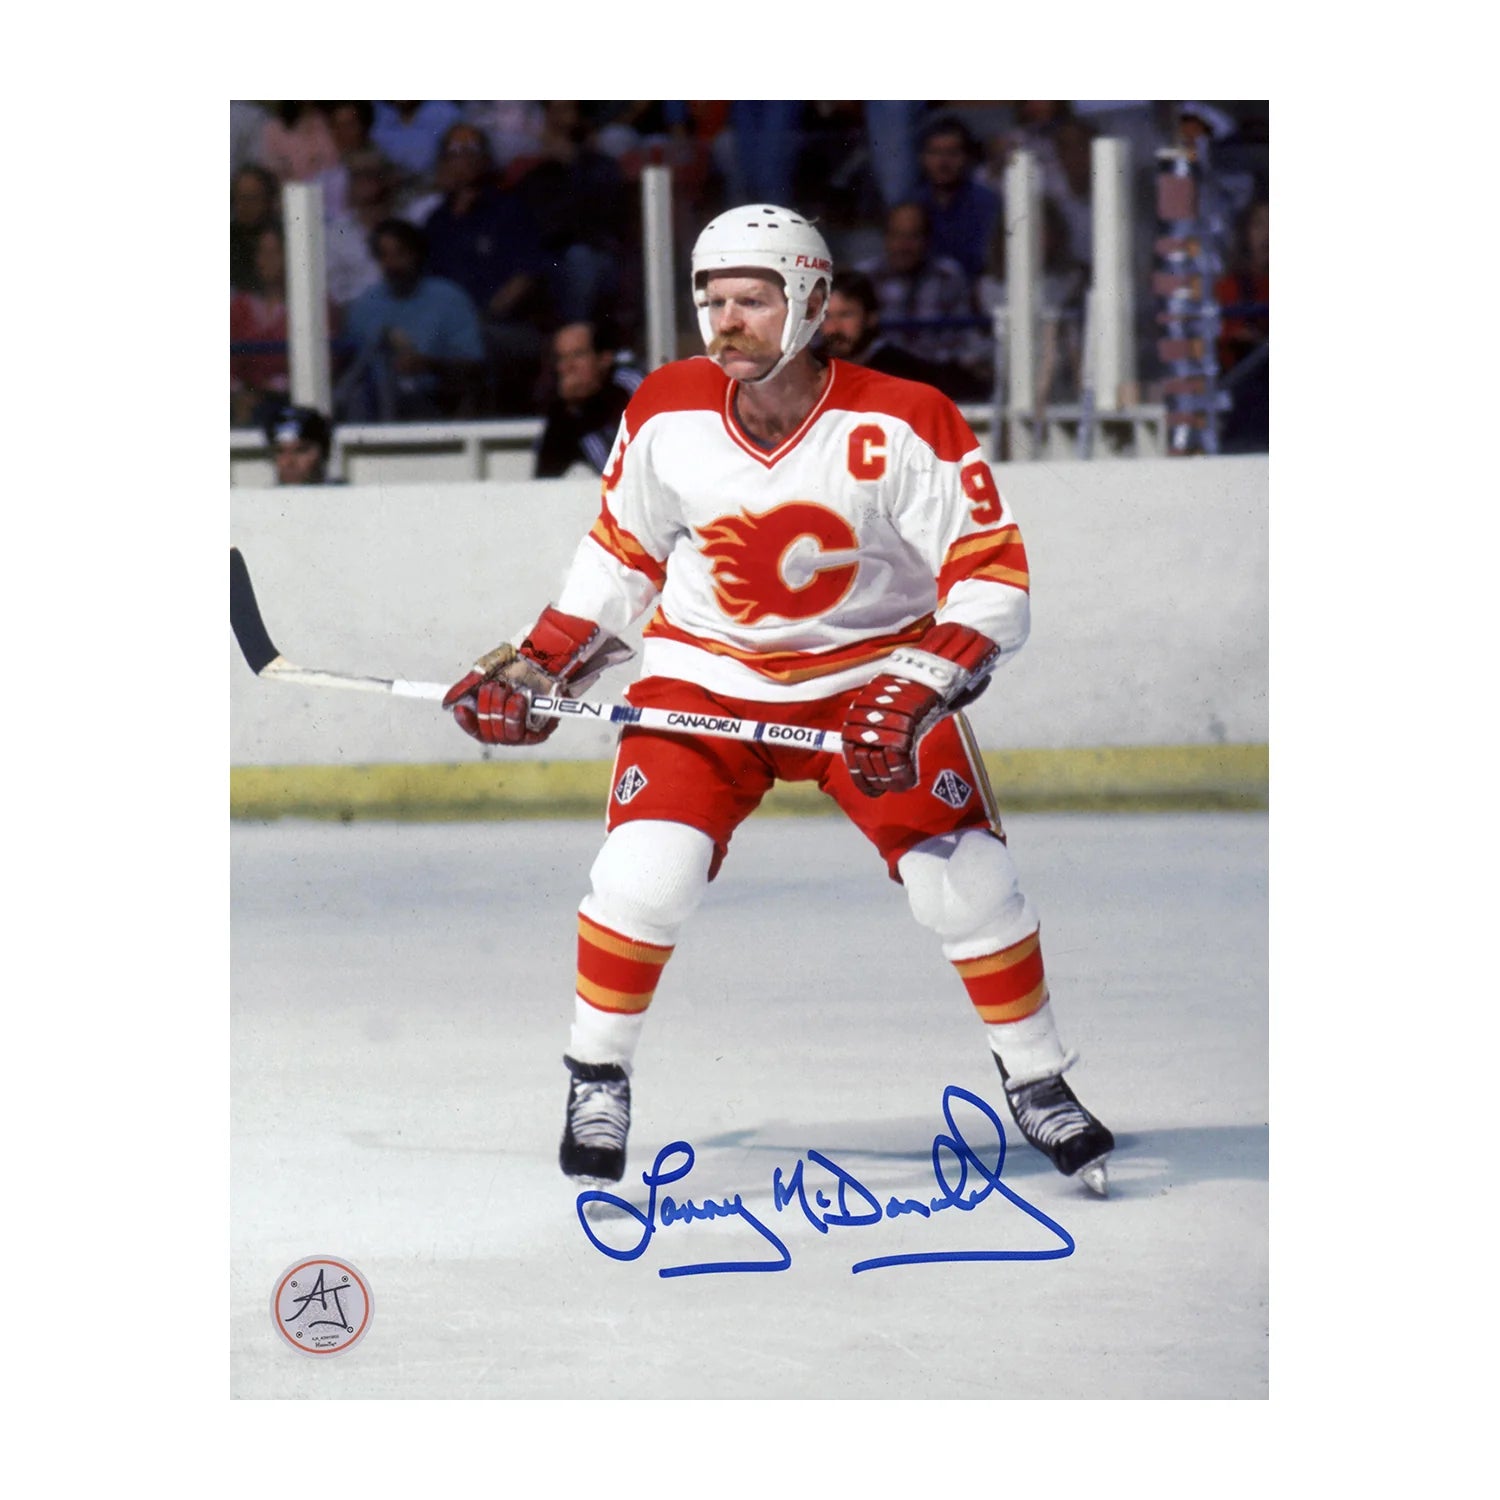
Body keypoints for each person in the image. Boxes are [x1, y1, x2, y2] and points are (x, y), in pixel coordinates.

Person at [442, 203, 1116, 1197]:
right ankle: (597, 1074)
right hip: (704, 679)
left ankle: (1037, 1076)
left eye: (753, 299)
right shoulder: (666, 407)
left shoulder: (905, 417)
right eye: (713, 299)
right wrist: (540, 664)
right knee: (644, 874)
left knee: (967, 880)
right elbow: (623, 557)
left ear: (812, 301)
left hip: (868, 687)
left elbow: (990, 576)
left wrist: (921, 684)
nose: (728, 320)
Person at [337, 217, 486, 421]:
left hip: (435, 402)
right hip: (374, 405)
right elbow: (349, 364)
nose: (392, 264)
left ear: (416, 254)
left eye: (400, 254)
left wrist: (429, 365)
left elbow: (474, 367)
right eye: (384, 255)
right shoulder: (365, 304)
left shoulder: (449, 298)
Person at [857, 202, 990, 400]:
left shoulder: (948, 276)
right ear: (885, 238)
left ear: (927, 240)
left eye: (913, 236)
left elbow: (964, 338)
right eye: (897, 236)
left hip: (934, 376)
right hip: (881, 376)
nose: (904, 246)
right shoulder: (865, 277)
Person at [533, 318, 644, 478]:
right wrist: (570, 409)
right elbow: (545, 474)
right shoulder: (563, 404)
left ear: (604, 359)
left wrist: (588, 404)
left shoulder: (629, 380)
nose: (567, 367)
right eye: (561, 358)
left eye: (578, 355)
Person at [818, 269, 958, 388]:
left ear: (871, 318)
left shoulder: (906, 372)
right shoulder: (812, 368)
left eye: (845, 315)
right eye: (826, 316)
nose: (834, 328)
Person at [914, 114, 1001, 282]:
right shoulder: (913, 205)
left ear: (968, 158)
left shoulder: (988, 204)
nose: (943, 162)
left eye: (952, 153)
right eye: (935, 153)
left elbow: (990, 264)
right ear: (923, 158)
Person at [261, 402, 340, 485]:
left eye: (300, 451)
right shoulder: (262, 493)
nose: (289, 462)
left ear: (324, 452)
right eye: (280, 451)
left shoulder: (344, 492)